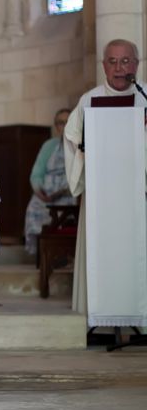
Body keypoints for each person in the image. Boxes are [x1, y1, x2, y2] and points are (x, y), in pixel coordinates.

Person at [64, 38, 147, 315]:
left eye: (125, 61)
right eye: (112, 61)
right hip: (102, 196)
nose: (119, 67)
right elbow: (72, 138)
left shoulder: (145, 97)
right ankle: (99, 314)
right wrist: (85, 147)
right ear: (104, 66)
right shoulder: (88, 100)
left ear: (136, 64)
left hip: (139, 193)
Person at [23, 108, 77, 255]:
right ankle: (43, 254)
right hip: (45, 195)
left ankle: (66, 254)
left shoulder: (79, 146)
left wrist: (64, 189)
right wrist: (40, 192)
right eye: (60, 123)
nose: (64, 126)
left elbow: (80, 174)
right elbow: (36, 173)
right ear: (56, 126)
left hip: (68, 194)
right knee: (33, 207)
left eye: (67, 122)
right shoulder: (49, 145)